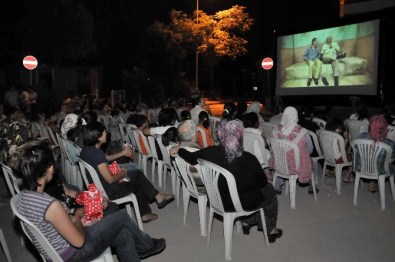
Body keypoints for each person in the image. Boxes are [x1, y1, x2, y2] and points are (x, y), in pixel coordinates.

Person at [16, 143, 166, 261]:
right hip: (72, 253)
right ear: (49, 169)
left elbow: (62, 219)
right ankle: (146, 245)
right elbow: (79, 242)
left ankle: (143, 247)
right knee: (121, 216)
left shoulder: (23, 197)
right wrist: (79, 218)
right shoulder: (50, 205)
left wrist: (84, 207)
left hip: (58, 248)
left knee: (124, 234)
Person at [171, 119, 283, 242]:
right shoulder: (250, 159)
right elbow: (262, 183)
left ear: (220, 135)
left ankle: (247, 223)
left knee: (250, 190)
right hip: (243, 203)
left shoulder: (209, 152)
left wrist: (179, 149)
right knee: (268, 189)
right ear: (240, 136)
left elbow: (191, 158)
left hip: (218, 200)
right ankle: (271, 229)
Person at [79, 122, 174, 223]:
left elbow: (104, 159)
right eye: (104, 132)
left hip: (98, 187)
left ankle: (156, 199)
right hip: (108, 191)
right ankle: (150, 207)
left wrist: (122, 153)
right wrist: (122, 174)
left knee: (136, 173)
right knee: (137, 181)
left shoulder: (86, 150)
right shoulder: (97, 154)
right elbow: (110, 179)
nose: (106, 133)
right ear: (97, 137)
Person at [272, 106, 315, 194]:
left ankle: (279, 184)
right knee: (311, 162)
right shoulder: (303, 132)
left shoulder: (276, 130)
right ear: (296, 116)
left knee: (283, 156)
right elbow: (310, 150)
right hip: (296, 166)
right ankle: (311, 185)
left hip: (279, 164)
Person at [354, 115, 395, 192]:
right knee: (390, 164)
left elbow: (356, 150)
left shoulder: (362, 136)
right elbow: (391, 160)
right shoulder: (390, 144)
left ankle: (372, 181)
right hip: (379, 170)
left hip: (361, 167)